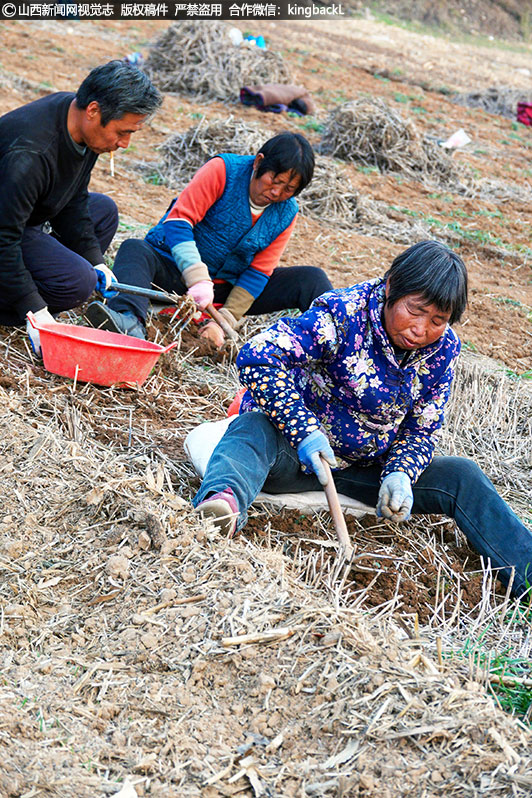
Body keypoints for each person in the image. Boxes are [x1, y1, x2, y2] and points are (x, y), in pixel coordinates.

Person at [193, 240, 532, 598]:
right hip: (295, 454)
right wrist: (303, 430)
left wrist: (401, 472)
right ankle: (223, 504)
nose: (421, 329)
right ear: (390, 289)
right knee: (251, 429)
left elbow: (423, 427)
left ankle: (525, 570)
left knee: (462, 476)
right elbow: (257, 356)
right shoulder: (343, 315)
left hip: (365, 469)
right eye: (414, 311)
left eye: (438, 320)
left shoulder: (442, 348)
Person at [85, 131, 333, 345]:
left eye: (288, 190)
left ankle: (334, 346)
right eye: (274, 181)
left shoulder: (286, 213)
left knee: (311, 280)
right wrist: (197, 278)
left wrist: (224, 321)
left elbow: (259, 272)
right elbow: (179, 222)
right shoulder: (223, 171)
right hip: (172, 270)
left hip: (224, 288)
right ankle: (129, 321)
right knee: (134, 249)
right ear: (259, 163)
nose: (277, 192)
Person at [0, 60, 162, 355]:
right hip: (7, 228)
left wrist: (95, 258)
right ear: (93, 111)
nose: (124, 143)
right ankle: (20, 303)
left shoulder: (77, 123)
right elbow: (4, 238)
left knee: (104, 212)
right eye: (122, 132)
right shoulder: (30, 155)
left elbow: (74, 197)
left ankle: (45, 281)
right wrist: (33, 307)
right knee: (78, 282)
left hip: (24, 214)